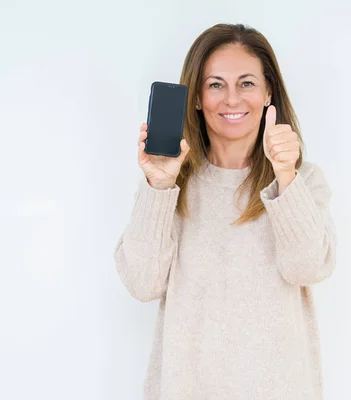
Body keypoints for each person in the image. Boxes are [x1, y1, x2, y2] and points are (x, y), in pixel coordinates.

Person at [113, 23, 337, 400]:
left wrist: (285, 176)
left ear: (268, 92)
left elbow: (308, 266)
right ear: (197, 98)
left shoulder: (302, 182)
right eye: (216, 84)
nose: (232, 99)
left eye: (247, 83)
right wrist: (159, 186)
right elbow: (141, 283)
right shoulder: (170, 187)